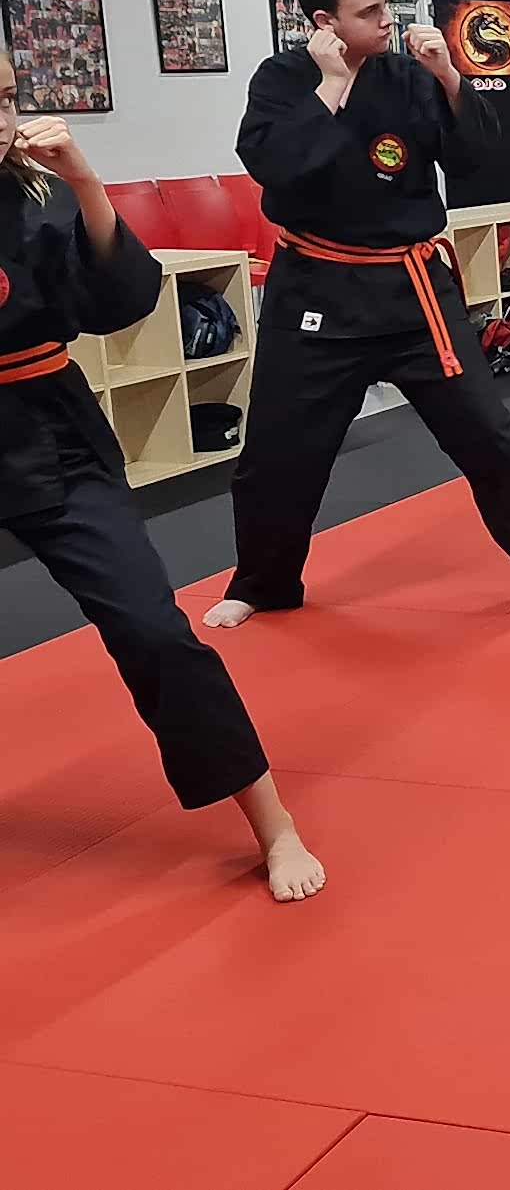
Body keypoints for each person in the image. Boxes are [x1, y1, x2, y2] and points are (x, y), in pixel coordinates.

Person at [203, 0, 510, 631]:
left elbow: (475, 161)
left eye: (387, 3)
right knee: (277, 455)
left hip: (414, 291)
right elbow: (278, 167)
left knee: (493, 437)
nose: (387, 19)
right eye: (369, 11)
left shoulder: (408, 75)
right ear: (324, 22)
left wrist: (449, 77)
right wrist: (331, 86)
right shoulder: (283, 80)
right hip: (318, 290)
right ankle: (264, 583)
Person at [1, 64, 324, 901]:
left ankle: (273, 821)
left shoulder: (40, 193)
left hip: (49, 429)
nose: (2, 118)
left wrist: (86, 182)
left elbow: (121, 301)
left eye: (5, 98)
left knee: (153, 630)